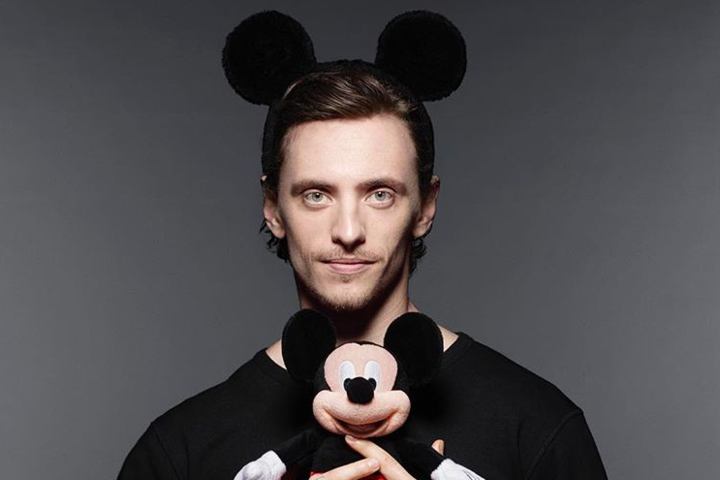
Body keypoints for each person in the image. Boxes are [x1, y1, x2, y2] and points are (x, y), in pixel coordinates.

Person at [118, 11, 608, 480]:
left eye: (379, 194)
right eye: (316, 194)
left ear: (425, 207)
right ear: (273, 208)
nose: (348, 230)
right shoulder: (179, 451)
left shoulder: (537, 427)